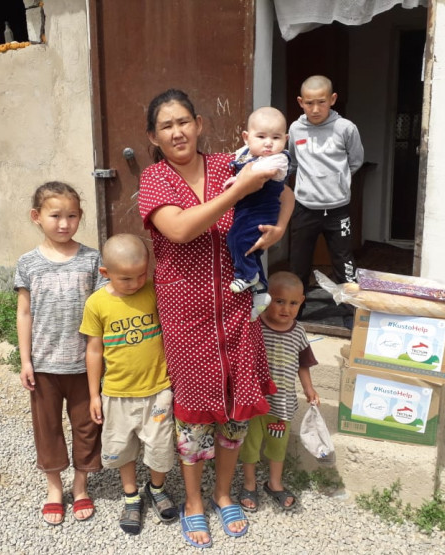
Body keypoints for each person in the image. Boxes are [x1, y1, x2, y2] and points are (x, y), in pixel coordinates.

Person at [138, 89, 294, 549]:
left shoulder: (232, 162)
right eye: (166, 126)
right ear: (154, 137)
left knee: (235, 409)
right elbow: (181, 229)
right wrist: (239, 191)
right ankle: (193, 501)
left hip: (238, 307)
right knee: (194, 414)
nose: (177, 132)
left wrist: (280, 227)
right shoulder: (155, 179)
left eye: (184, 121)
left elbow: (284, 193)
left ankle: (223, 494)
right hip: (186, 314)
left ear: (200, 124)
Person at [14, 181, 105, 526]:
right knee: (47, 428)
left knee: (87, 426)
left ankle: (80, 486)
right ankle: (54, 488)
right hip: (44, 364)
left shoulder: (92, 259)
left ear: (80, 216)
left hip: (84, 365)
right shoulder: (28, 263)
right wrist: (26, 360)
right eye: (55, 216)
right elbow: (24, 312)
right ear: (36, 216)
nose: (64, 224)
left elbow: (102, 312)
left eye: (72, 216)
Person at [80, 233, 178, 535]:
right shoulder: (96, 303)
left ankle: (156, 488)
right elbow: (94, 350)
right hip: (117, 393)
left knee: (161, 446)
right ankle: (131, 495)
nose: (135, 283)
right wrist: (94, 394)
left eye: (140, 275)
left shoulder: (154, 292)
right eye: (125, 278)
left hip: (158, 391)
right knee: (123, 447)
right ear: (105, 273)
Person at [238, 271, 319, 512]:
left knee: (277, 446)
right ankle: (249, 483)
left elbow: (303, 364)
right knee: (250, 445)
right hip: (255, 402)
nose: (286, 309)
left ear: (302, 302)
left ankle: (274, 483)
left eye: (293, 303)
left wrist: (309, 388)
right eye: (279, 301)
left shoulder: (298, 332)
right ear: (266, 298)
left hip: (282, 404)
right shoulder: (256, 325)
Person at [288, 75, 364, 321]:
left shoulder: (346, 128)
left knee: (344, 263)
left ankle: (352, 315)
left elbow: (355, 161)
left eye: (321, 102)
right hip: (304, 208)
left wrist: (337, 182)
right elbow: (293, 163)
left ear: (332, 99)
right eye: (309, 103)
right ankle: (294, 316)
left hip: (337, 210)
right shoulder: (295, 129)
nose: (315, 109)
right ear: (300, 102)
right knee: (298, 264)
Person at [224, 107, 291, 321]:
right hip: (246, 210)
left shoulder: (278, 159)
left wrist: (237, 181)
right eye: (261, 137)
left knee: (237, 239)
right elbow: (236, 160)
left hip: (261, 211)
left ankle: (247, 275)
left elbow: (260, 173)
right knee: (250, 251)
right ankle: (261, 291)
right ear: (246, 137)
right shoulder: (245, 153)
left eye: (276, 137)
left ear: (286, 140)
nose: (268, 143)